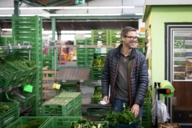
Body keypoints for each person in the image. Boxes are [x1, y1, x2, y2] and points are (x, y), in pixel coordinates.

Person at [101, 26, 148, 119]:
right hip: (117, 100)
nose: (134, 40)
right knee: (116, 125)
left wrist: (137, 103)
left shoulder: (140, 57)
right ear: (123, 37)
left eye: (135, 37)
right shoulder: (112, 55)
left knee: (134, 125)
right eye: (131, 37)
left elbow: (144, 82)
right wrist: (105, 93)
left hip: (134, 101)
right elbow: (105, 75)